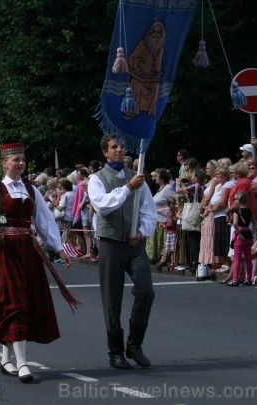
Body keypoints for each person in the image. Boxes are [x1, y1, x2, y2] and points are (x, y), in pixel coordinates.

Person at [0, 142, 77, 384]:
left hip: (28, 250)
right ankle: (22, 363)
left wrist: (59, 248)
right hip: (5, 250)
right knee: (13, 303)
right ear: (5, 163)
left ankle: (5, 359)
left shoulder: (30, 190)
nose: (21, 163)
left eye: (23, 159)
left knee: (23, 302)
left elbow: (44, 220)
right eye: (16, 159)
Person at [87, 135, 156, 369]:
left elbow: (149, 210)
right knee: (112, 298)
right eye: (114, 147)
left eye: (122, 146)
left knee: (146, 291)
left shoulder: (137, 179)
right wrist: (127, 188)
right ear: (105, 153)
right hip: (110, 242)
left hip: (134, 244)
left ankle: (135, 344)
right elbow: (103, 205)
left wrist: (143, 232)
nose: (120, 150)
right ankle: (115, 351)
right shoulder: (96, 179)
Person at [227, 192, 254, 286]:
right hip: (248, 234)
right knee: (248, 258)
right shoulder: (250, 211)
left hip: (240, 235)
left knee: (237, 258)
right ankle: (249, 279)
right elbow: (254, 223)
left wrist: (238, 233)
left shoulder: (237, 211)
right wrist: (252, 233)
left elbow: (235, 224)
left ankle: (235, 279)